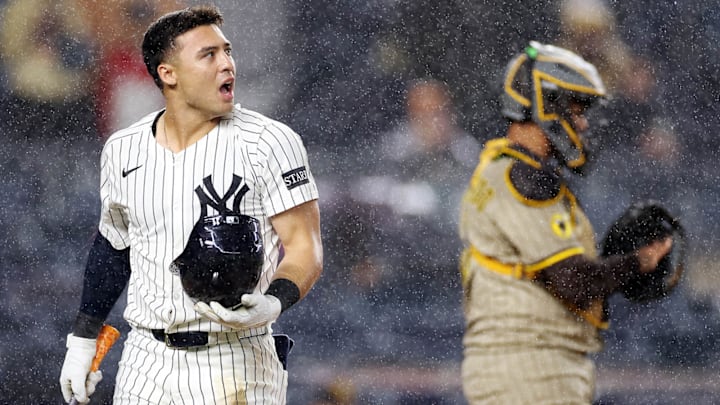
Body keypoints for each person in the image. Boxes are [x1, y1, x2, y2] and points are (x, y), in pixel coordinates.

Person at [58, 5, 323, 404]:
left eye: (227, 51)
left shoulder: (270, 142)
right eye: (208, 55)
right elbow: (113, 248)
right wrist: (82, 339)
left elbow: (306, 246)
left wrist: (273, 302)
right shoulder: (122, 148)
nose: (227, 64)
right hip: (145, 359)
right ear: (169, 74)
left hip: (236, 357)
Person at [457, 41, 673, 404]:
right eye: (576, 108)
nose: (584, 122)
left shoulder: (498, 169)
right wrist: (640, 261)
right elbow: (573, 281)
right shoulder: (521, 178)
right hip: (534, 370)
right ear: (546, 104)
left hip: (515, 366)